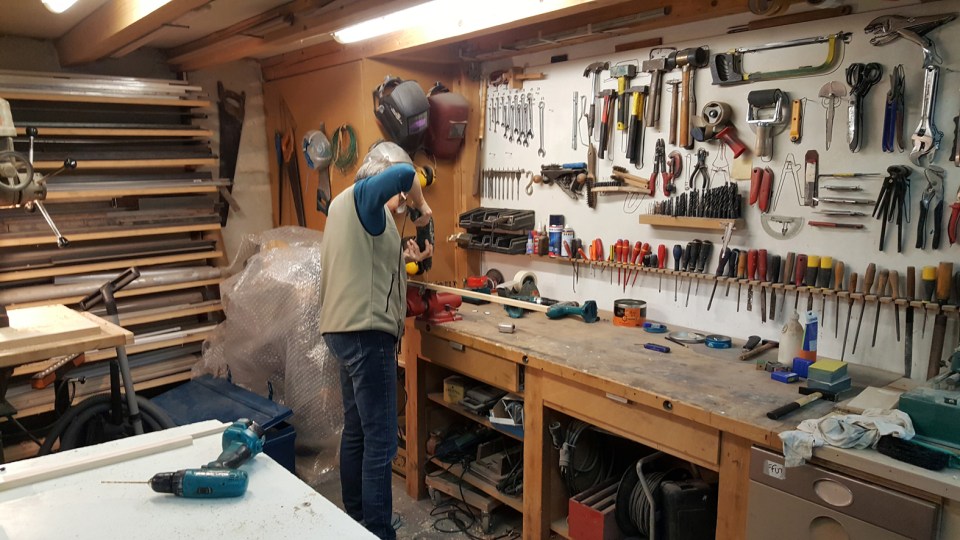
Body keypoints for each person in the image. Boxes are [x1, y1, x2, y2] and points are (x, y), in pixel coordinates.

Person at [319, 141, 433, 540]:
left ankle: (355, 523)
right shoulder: (364, 199)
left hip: (343, 331)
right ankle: (379, 531)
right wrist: (422, 206)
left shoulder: (350, 211)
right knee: (381, 440)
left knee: (358, 431)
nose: (401, 202)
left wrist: (409, 257)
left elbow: (367, 265)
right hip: (367, 337)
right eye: (399, 197)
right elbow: (405, 174)